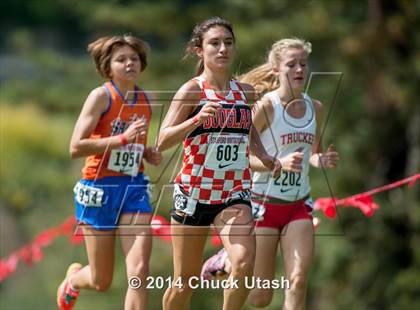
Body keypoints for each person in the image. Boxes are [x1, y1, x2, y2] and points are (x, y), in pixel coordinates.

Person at [201, 38, 340, 309]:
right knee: (260, 297)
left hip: (298, 207)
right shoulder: (266, 107)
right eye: (292, 64)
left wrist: (319, 159)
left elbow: (312, 151)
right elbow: (238, 156)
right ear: (276, 69)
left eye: (303, 64)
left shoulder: (316, 108)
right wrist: (275, 163)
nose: (299, 69)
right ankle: (225, 261)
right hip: (261, 207)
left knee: (298, 280)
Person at [157, 17, 281, 310]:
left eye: (228, 42)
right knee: (185, 282)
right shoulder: (192, 91)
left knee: (243, 261)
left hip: (233, 194)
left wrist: (262, 153)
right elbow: (162, 140)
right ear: (200, 50)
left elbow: (246, 126)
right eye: (214, 43)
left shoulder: (245, 92)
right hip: (194, 194)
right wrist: (196, 119)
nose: (223, 48)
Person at [56, 35, 162, 310]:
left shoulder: (146, 99)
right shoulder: (101, 97)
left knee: (139, 272)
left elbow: (134, 144)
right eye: (121, 60)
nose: (130, 64)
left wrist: (147, 152)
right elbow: (75, 146)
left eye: (134, 59)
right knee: (102, 281)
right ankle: (73, 281)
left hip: (133, 188)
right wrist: (123, 140)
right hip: (99, 190)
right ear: (108, 66)